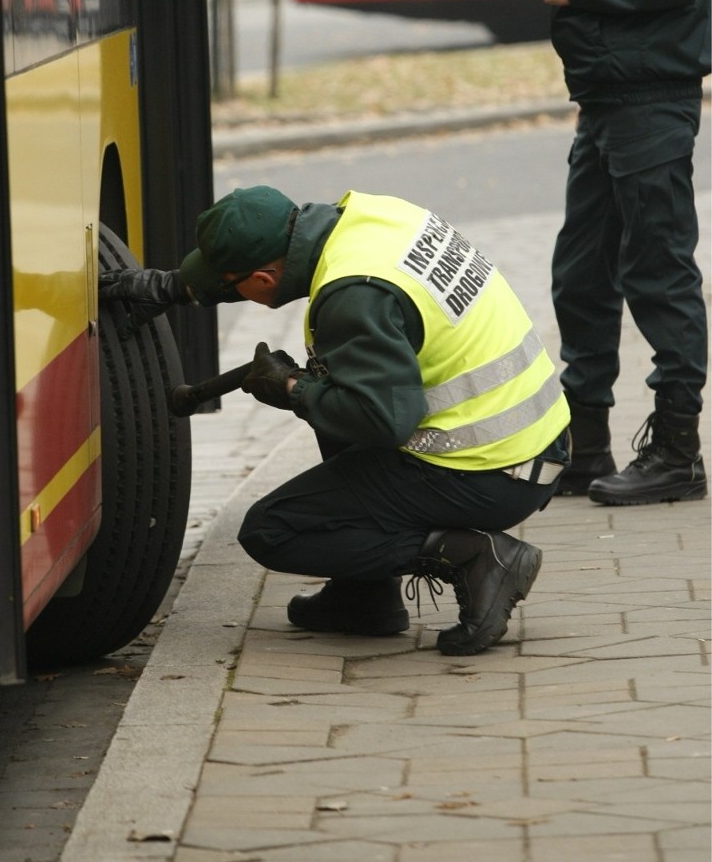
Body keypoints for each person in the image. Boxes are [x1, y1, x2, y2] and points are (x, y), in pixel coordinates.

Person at [100, 185, 571, 655]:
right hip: (535, 441)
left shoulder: (353, 295)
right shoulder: (373, 221)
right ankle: (363, 598)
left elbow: (384, 421)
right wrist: (171, 287)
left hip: (489, 471)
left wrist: (291, 388)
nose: (228, 291)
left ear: (263, 280)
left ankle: (476, 557)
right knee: (335, 391)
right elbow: (240, 270)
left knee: (272, 529)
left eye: (231, 284)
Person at [528, 0, 710, 505]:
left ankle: (676, 451)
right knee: (581, 273)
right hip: (608, 101)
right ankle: (588, 443)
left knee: (658, 273)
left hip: (650, 99)